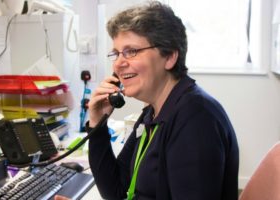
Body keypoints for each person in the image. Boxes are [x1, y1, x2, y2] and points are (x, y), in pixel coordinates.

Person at [57, 1, 239, 200]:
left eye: (131, 51)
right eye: (116, 53)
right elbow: (116, 191)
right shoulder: (152, 113)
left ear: (169, 56)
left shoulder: (196, 119)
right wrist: (98, 124)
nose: (118, 63)